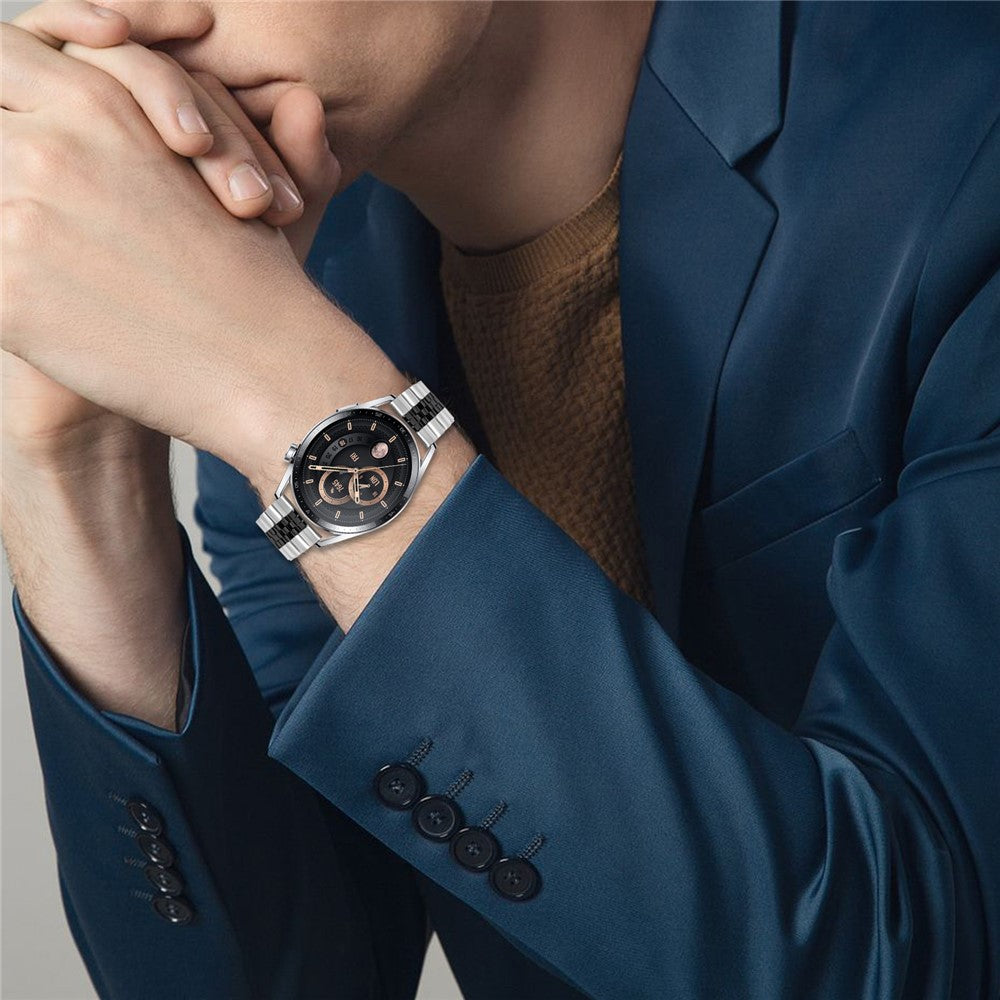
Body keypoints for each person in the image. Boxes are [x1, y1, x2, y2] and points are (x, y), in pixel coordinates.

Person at [2, 1, 998, 997]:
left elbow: (904, 962)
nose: (123, 18)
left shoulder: (966, 146)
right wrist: (74, 463)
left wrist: (291, 398)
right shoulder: (298, 275)